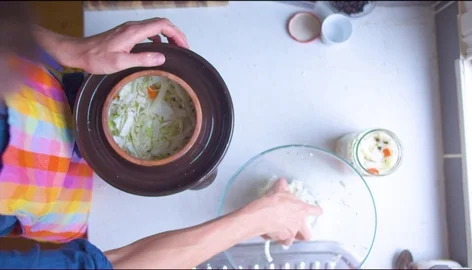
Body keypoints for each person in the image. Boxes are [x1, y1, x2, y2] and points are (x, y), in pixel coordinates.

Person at [0, 2, 323, 269]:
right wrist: (258, 219)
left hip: (49, 103)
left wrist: (66, 48)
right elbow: (114, 265)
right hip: (50, 198)